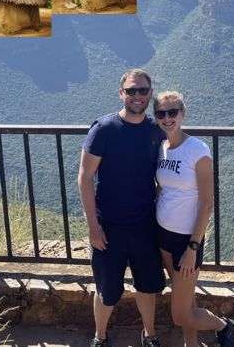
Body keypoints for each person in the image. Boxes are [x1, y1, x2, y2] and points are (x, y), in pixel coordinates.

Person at [77, 68, 165, 347]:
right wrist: (93, 226)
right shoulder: (104, 129)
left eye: (143, 91)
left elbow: (166, 174)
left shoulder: (155, 130)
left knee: (148, 285)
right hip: (109, 226)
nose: (137, 96)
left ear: (150, 94)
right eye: (131, 90)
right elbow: (85, 177)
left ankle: (149, 335)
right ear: (121, 93)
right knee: (107, 289)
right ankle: (99, 337)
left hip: (145, 225)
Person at [153, 91, 234, 346]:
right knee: (186, 299)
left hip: (186, 240)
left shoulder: (197, 150)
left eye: (173, 112)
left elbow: (207, 202)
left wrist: (193, 246)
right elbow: (163, 188)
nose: (167, 118)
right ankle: (192, 344)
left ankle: (223, 325)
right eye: (161, 113)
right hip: (162, 234)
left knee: (180, 315)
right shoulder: (162, 147)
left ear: (182, 113)